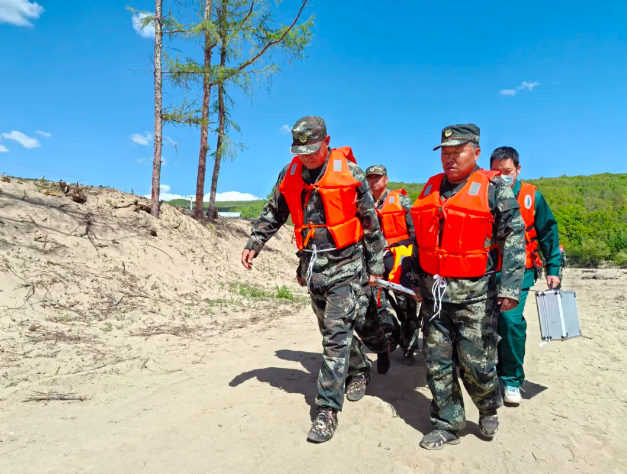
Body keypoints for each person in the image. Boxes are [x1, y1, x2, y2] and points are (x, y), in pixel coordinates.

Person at [241, 116, 387, 444]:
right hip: (312, 269)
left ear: (327, 140)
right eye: (300, 149)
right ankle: (360, 367)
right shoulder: (289, 173)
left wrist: (376, 265)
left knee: (335, 337)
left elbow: (370, 222)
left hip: (346, 267)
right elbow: (274, 212)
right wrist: (255, 242)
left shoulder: (350, 173)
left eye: (312, 148)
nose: (305, 155)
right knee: (331, 332)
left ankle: (326, 410)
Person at [410, 124, 526, 450]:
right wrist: (417, 280)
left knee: (476, 364)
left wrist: (510, 288)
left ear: (475, 153)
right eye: (445, 153)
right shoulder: (430, 188)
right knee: (437, 363)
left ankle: (488, 406)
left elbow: (514, 239)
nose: (449, 159)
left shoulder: (495, 187)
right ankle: (448, 422)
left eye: (456, 152)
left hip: (476, 296)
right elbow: (422, 240)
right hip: (435, 295)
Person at [490, 146, 562, 404]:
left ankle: (511, 380)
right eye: (495, 171)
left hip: (520, 272)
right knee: (485, 324)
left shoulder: (533, 197)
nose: (501, 176)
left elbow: (547, 232)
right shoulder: (481, 193)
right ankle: (487, 375)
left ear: (518, 170)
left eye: (506, 172)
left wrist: (553, 268)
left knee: (510, 322)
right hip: (484, 271)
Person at [365, 164, 420, 365]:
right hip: (372, 262)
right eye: (369, 177)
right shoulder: (362, 203)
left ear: (386, 179)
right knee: (374, 305)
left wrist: (393, 245)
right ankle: (391, 335)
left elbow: (417, 234)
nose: (373, 181)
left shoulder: (402, 201)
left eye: (377, 177)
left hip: (399, 260)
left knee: (407, 306)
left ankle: (410, 347)